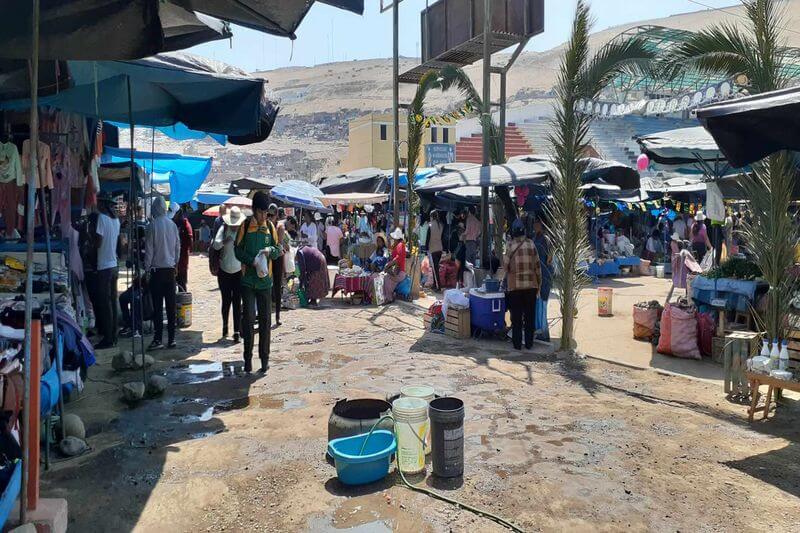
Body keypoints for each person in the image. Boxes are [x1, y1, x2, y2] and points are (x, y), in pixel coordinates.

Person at [235, 192, 280, 373]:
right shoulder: (245, 226)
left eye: (265, 213)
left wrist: (271, 250)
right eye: (260, 213)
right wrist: (250, 260)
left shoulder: (270, 227)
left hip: (265, 283)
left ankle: (264, 359)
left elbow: (278, 249)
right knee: (248, 320)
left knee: (265, 321)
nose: (263, 217)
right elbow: (237, 250)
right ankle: (247, 359)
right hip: (247, 282)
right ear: (254, 210)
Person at [145, 197, 180, 350]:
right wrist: (175, 263)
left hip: (157, 272)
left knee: (158, 307)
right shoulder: (172, 225)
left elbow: (149, 250)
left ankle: (158, 338)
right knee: (171, 307)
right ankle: (171, 339)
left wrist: (146, 269)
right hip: (170, 271)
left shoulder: (152, 225)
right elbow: (177, 247)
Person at [503, 219, 541, 351]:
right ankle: (529, 344)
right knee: (530, 317)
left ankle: (517, 344)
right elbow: (537, 267)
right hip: (531, 286)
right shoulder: (531, 244)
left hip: (515, 288)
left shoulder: (510, 245)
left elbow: (505, 266)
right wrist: (538, 284)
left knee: (516, 317)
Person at [92, 191, 122, 349]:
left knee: (104, 304)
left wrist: (90, 243)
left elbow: (98, 242)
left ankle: (108, 338)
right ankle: (114, 335)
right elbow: (117, 243)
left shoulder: (101, 219)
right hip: (114, 265)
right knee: (112, 301)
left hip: (104, 266)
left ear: (102, 205)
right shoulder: (116, 221)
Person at [213, 205, 244, 342]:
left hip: (238, 272)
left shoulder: (242, 232)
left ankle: (236, 331)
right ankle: (225, 326)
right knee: (226, 301)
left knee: (237, 301)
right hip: (224, 270)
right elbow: (215, 244)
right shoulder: (223, 228)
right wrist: (224, 242)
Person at [533, 220, 552, 342]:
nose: (534, 225)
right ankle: (540, 330)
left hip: (543, 275)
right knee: (539, 304)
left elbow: (543, 260)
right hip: (541, 275)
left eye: (537, 223)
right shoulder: (540, 239)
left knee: (542, 304)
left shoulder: (543, 240)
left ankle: (544, 333)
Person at [267, 204, 285, 327]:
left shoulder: (279, 227)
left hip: (277, 257)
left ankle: (277, 316)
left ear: (277, 215)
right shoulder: (265, 225)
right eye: (268, 215)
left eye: (272, 215)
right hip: (267, 257)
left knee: (277, 286)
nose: (270, 217)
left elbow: (277, 243)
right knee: (266, 286)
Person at [171, 203, 193, 291]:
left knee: (181, 281)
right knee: (171, 283)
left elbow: (190, 238)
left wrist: (188, 248)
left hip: (182, 258)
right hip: (171, 258)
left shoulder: (185, 223)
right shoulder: (171, 222)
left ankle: (183, 302)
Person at [427, 210, 444, 290]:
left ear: (431, 216)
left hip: (433, 248)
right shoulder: (441, 225)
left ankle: (438, 286)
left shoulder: (430, 225)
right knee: (435, 268)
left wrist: (426, 248)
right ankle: (435, 284)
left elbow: (428, 238)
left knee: (435, 268)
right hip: (440, 248)